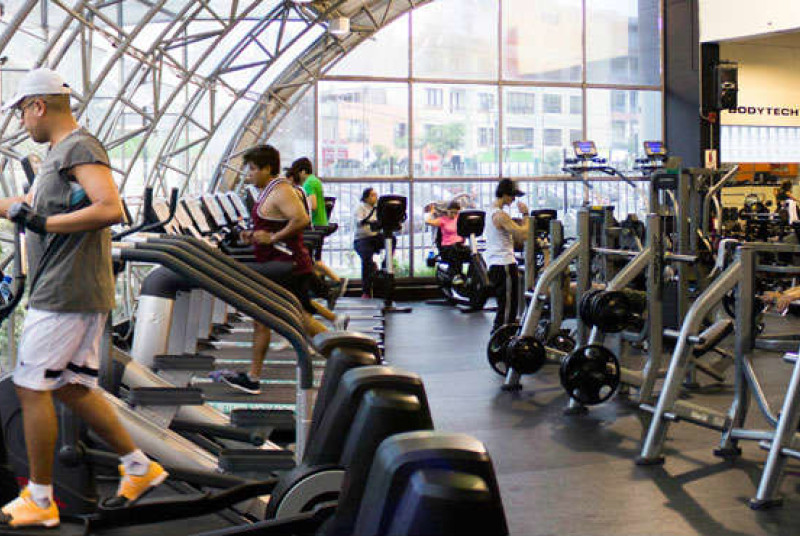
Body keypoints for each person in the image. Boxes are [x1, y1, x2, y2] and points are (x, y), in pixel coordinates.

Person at [0, 68, 166, 528]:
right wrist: (20, 211)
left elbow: (110, 207)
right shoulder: (59, 154)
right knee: (72, 386)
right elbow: (29, 205)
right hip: (70, 289)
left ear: (38, 106)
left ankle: (40, 498)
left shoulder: (79, 148)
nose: (21, 123)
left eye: (22, 113)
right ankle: (139, 467)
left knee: (30, 387)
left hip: (65, 291)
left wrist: (44, 225)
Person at [227, 145, 328, 394]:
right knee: (279, 318)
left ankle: (344, 353)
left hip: (287, 264)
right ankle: (253, 377)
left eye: (253, 169)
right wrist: (252, 235)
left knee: (290, 317)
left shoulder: (280, 190)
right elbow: (272, 224)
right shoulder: (268, 191)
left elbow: (301, 218)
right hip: (279, 262)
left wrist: (273, 238)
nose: (249, 174)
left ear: (267, 168)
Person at [485, 179, 529, 333]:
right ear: (504, 194)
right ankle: (502, 338)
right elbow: (523, 235)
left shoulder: (491, 211)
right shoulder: (500, 215)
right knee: (508, 310)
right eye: (512, 195)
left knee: (507, 307)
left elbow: (516, 237)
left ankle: (503, 337)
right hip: (504, 264)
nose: (514, 199)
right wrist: (526, 214)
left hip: (498, 263)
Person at [425, 200, 470, 280]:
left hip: (459, 246)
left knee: (472, 254)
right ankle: (456, 275)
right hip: (447, 247)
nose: (453, 215)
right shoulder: (443, 220)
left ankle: (470, 277)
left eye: (455, 213)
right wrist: (432, 212)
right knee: (455, 250)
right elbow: (428, 221)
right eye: (451, 212)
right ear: (447, 211)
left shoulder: (459, 219)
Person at [354, 187, 381, 299]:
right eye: (372, 195)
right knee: (366, 259)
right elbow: (360, 221)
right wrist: (371, 221)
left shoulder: (379, 208)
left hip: (375, 237)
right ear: (366, 197)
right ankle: (366, 291)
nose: (376, 197)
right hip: (362, 239)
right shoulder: (361, 207)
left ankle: (385, 265)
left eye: (376, 195)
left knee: (391, 240)